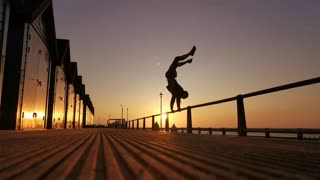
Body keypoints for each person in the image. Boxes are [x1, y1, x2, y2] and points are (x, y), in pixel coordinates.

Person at [166, 46, 196, 112]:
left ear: (183, 96)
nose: (184, 93)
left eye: (184, 94)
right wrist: (178, 107)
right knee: (176, 63)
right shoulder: (180, 90)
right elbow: (177, 99)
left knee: (176, 60)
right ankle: (188, 59)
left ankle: (189, 55)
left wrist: (172, 108)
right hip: (171, 76)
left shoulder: (177, 94)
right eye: (185, 93)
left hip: (170, 76)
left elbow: (174, 99)